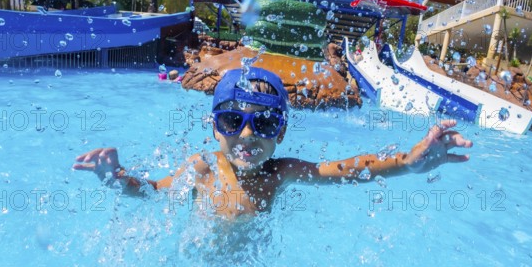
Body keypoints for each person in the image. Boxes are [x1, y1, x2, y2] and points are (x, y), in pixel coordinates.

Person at [73, 67, 472, 219]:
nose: (247, 135)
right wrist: (116, 176)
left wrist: (408, 162)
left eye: (263, 123)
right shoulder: (203, 168)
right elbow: (152, 193)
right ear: (216, 128)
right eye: (233, 120)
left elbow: (348, 168)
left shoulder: (279, 173)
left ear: (280, 133)